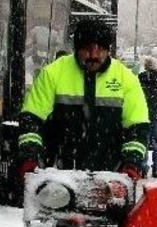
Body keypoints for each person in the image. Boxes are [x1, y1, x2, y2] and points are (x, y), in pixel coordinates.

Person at [17, 19, 149, 182]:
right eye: (87, 49)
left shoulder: (126, 79)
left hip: (111, 178)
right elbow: (32, 118)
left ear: (108, 50)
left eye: (100, 49)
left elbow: (137, 126)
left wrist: (131, 165)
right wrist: (30, 157)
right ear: (76, 49)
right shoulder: (52, 74)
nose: (93, 55)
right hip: (57, 178)